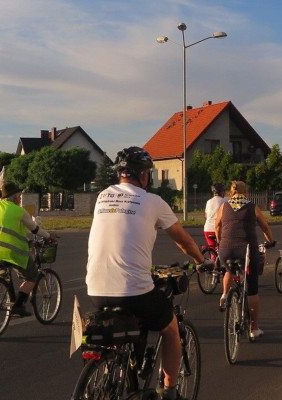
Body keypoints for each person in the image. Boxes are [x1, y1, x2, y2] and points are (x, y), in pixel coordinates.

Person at [85, 146, 208, 400]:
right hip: (132, 291)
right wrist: (200, 260)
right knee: (171, 328)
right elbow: (183, 241)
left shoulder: (102, 196)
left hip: (95, 289)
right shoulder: (153, 201)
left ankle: (119, 369)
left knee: (129, 321)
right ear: (143, 175)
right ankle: (170, 391)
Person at [0, 183, 58, 317]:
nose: (20, 197)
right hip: (11, 252)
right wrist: (49, 236)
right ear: (14, 196)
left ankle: (8, 294)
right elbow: (34, 229)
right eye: (19, 195)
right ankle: (18, 306)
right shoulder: (19, 211)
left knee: (5, 276)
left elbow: (3, 226)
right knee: (31, 275)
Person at [215, 181, 275, 339]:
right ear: (246, 192)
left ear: (231, 192)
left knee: (229, 269)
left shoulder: (224, 206)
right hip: (246, 251)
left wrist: (221, 241)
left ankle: (225, 293)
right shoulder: (251, 206)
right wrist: (270, 241)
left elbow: (217, 226)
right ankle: (253, 329)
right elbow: (265, 227)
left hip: (225, 250)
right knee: (252, 288)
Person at [203, 183, 228, 247]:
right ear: (222, 192)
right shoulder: (225, 201)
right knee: (223, 249)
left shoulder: (208, 201)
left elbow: (206, 215)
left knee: (212, 249)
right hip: (220, 230)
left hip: (208, 229)